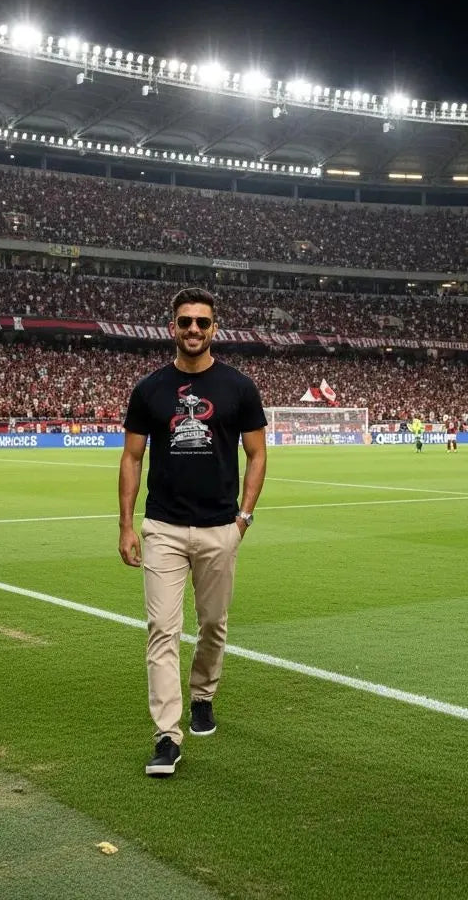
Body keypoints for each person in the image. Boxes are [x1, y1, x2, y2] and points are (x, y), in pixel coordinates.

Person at [118, 287, 268, 777]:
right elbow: (132, 457)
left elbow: (258, 454)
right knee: (162, 630)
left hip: (220, 527)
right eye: (185, 322)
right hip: (162, 526)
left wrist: (243, 517)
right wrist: (126, 525)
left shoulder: (239, 387)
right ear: (172, 328)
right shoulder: (150, 390)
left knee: (212, 625)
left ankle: (203, 693)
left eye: (202, 323)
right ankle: (167, 735)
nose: (194, 330)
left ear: (214, 329)